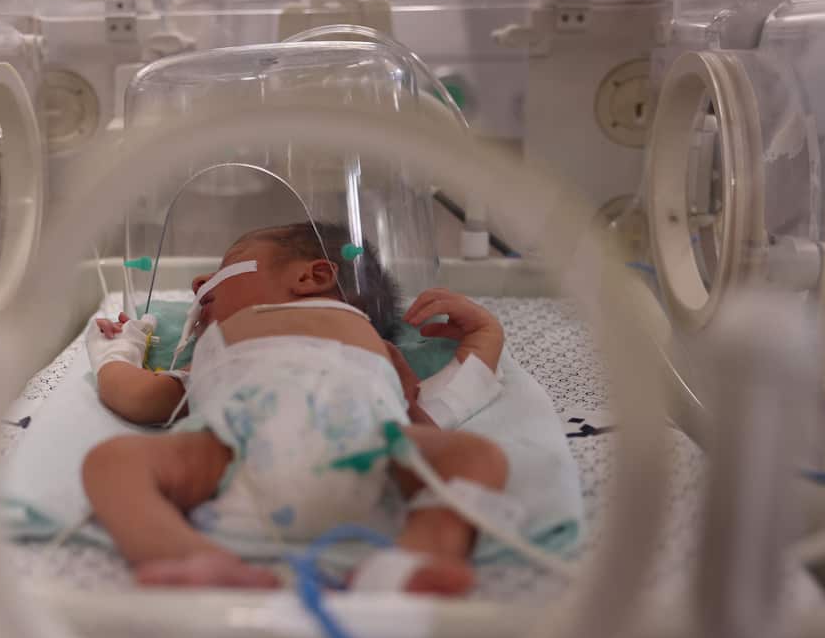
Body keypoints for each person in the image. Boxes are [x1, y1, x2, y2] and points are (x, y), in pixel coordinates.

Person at [82, 222, 508, 594]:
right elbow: (141, 397)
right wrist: (118, 349)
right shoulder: (212, 352)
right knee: (111, 461)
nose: (199, 283)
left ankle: (419, 557)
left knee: (476, 455)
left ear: (313, 276)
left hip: (374, 450)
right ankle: (192, 557)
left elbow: (444, 403)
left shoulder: (379, 350)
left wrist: (485, 336)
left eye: (226, 266)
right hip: (231, 448)